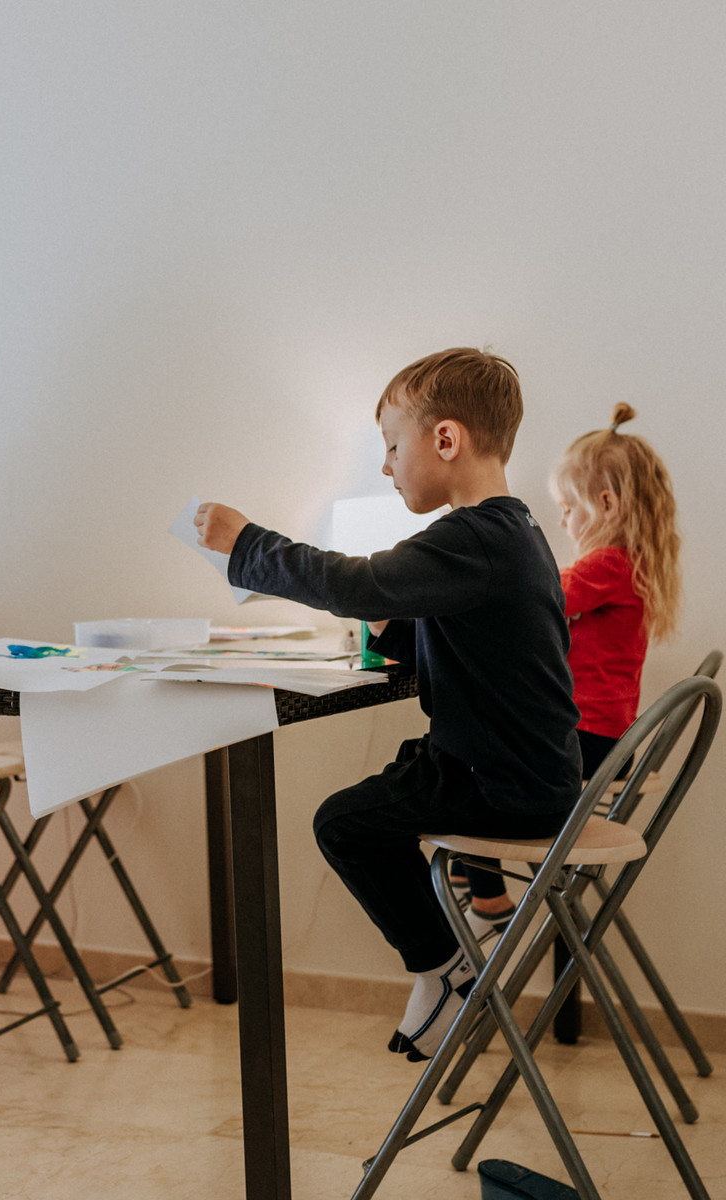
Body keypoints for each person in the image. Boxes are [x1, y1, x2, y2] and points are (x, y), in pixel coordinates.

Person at [194, 347, 581, 1061]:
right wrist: (396, 625)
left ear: (445, 439)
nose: (385, 465)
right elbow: (462, 634)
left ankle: (450, 965)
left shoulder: (473, 537)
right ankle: (447, 963)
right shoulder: (511, 533)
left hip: (502, 784)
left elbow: (360, 583)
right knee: (381, 803)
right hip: (530, 774)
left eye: (392, 445)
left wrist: (246, 544)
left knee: (345, 823)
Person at [461, 403, 682, 938]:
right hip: (609, 741)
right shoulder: (633, 566)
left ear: (604, 503)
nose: (560, 520)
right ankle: (509, 894)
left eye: (565, 508)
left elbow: (537, 595)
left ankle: (487, 902)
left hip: (586, 741)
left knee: (469, 760)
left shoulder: (607, 565)